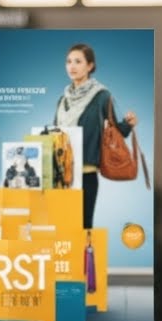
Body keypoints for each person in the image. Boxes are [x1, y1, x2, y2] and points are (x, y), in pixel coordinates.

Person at [53, 43, 137, 229]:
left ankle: (86, 259)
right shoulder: (62, 99)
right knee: (62, 228)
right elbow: (54, 134)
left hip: (86, 174)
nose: (72, 66)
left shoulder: (101, 96)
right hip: (61, 175)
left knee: (83, 228)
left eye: (78, 61)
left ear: (90, 66)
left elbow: (116, 131)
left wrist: (128, 124)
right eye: (68, 62)